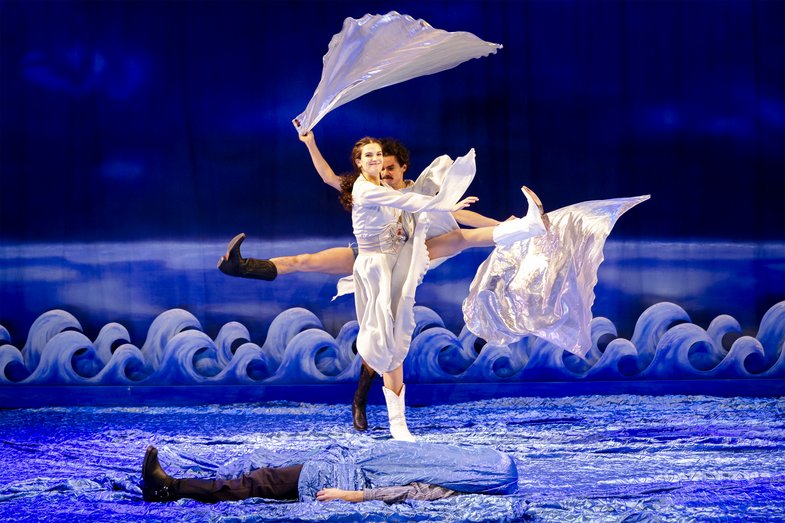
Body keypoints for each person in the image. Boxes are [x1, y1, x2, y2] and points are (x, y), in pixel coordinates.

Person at [218, 132, 549, 436]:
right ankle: (240, 267)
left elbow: (457, 217)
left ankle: (523, 230)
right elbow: (329, 178)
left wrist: (502, 223)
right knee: (306, 263)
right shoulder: (368, 188)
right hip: (367, 256)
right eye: (377, 164)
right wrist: (309, 142)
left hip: (408, 253)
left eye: (390, 166)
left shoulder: (411, 191)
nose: (384, 171)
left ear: (403, 168)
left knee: (457, 243)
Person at [140, 440, 518, 504]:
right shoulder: (450, 462)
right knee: (263, 474)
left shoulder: (451, 487)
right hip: (342, 464)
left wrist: (348, 495)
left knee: (258, 484)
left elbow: (405, 492)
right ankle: (178, 485)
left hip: (339, 479)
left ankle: (169, 488)